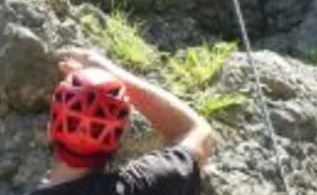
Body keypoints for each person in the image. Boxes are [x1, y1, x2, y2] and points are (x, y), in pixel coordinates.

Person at [29, 47, 214, 194]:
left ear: (50, 129)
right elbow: (198, 133)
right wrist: (114, 76)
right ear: (118, 140)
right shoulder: (141, 185)